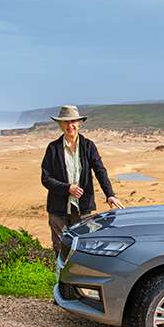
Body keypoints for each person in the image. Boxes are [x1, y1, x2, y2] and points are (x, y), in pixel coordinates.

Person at [40, 105, 124, 255]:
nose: (69, 125)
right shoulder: (53, 148)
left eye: (73, 122)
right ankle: (61, 278)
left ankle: (80, 278)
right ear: (60, 125)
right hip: (58, 209)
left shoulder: (88, 146)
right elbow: (46, 179)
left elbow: (100, 170)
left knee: (83, 248)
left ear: (79, 123)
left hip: (83, 207)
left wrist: (110, 194)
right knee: (60, 248)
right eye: (65, 122)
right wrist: (67, 188)